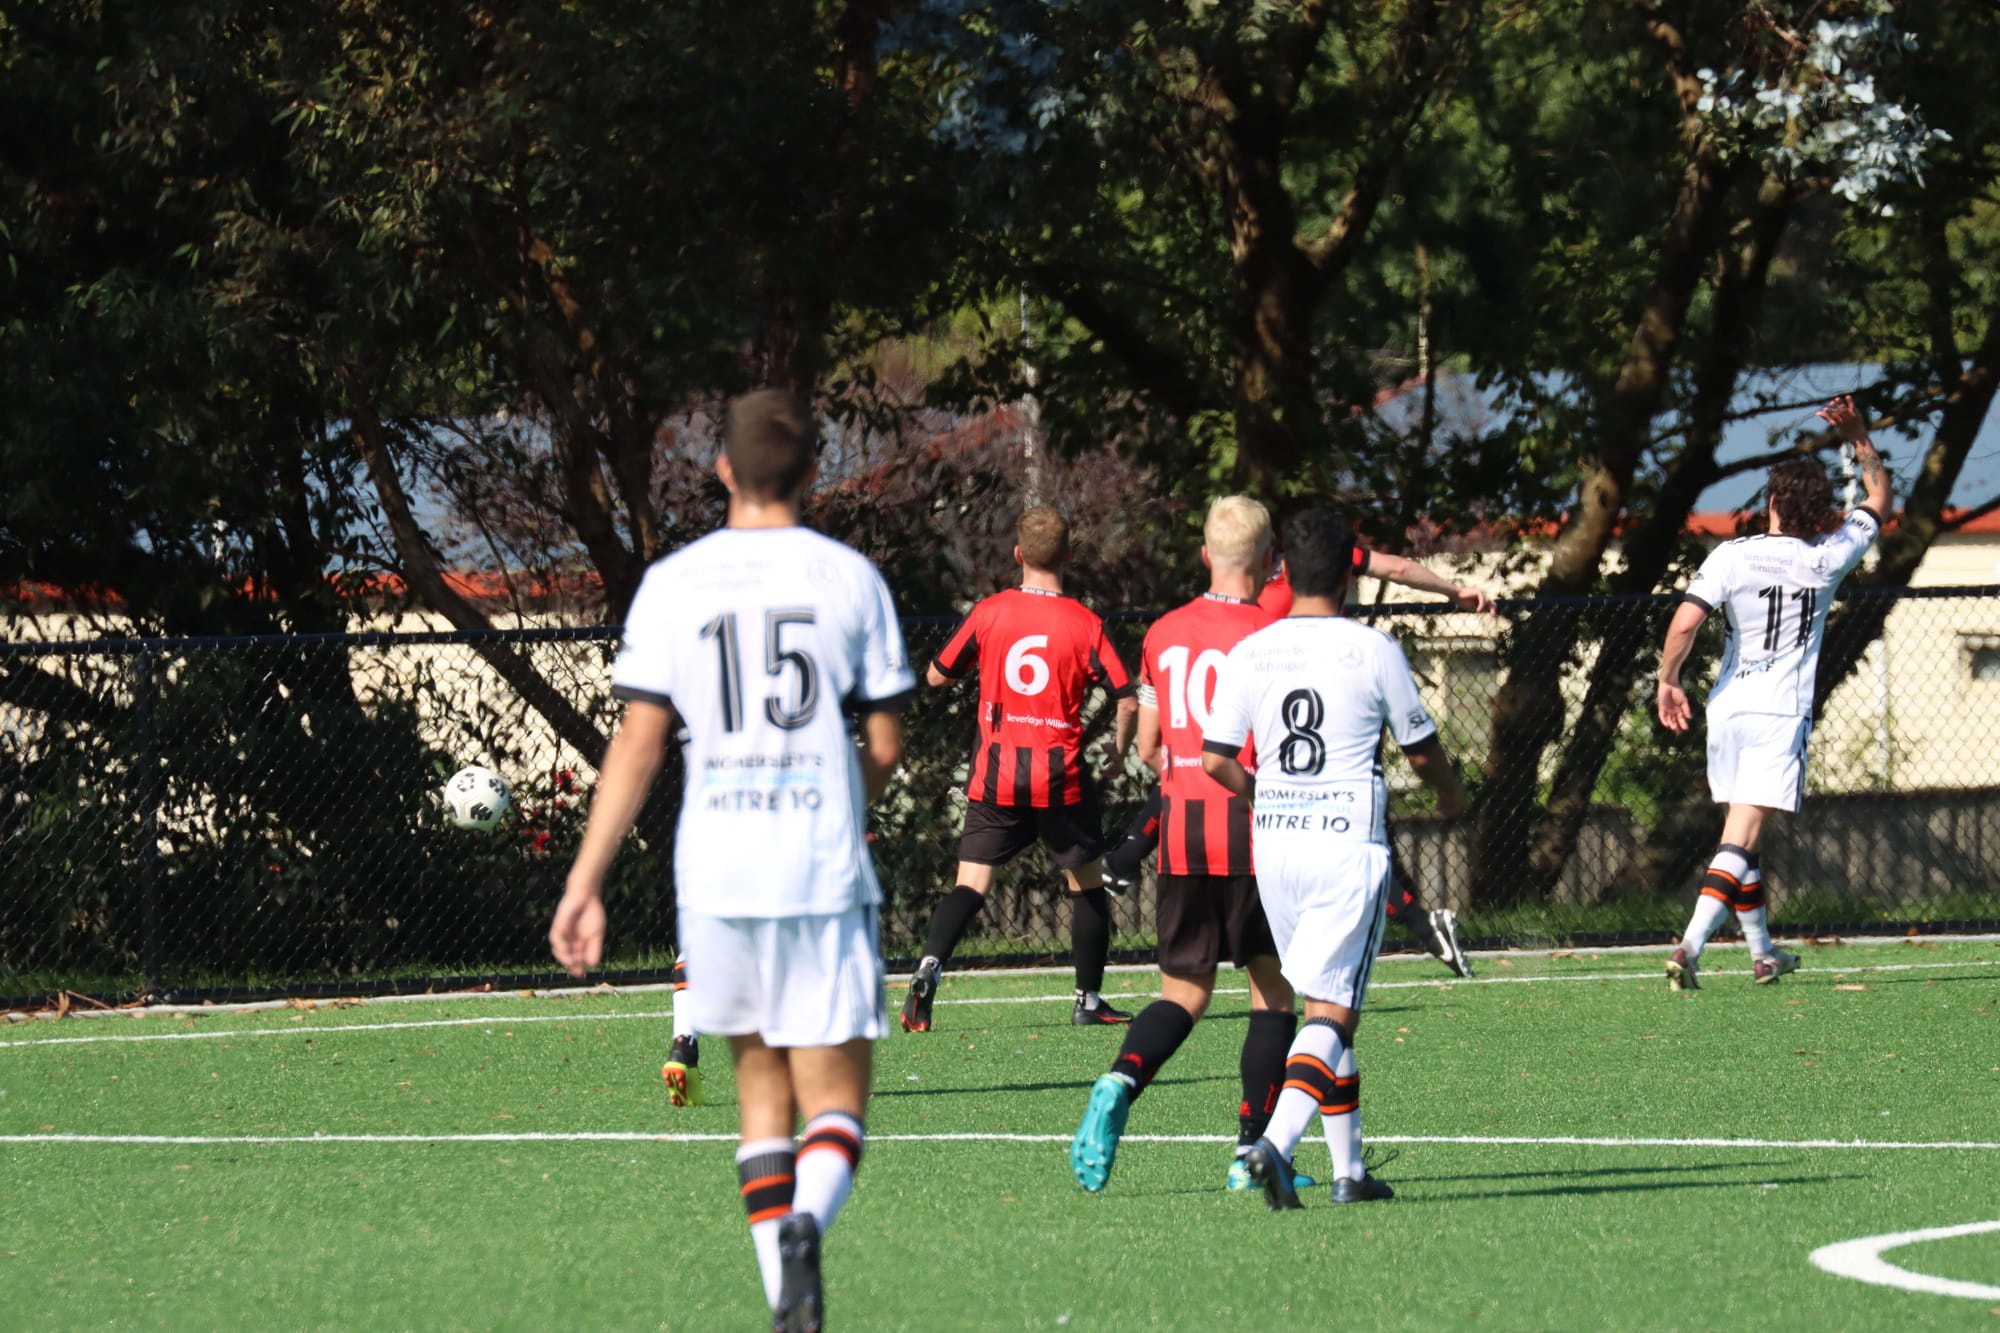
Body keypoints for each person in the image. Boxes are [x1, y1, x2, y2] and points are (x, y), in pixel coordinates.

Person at [550, 389, 914, 1332]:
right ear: (811, 473)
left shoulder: (675, 583)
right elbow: (883, 743)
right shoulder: (849, 580)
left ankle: (782, 1300)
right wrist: (839, 795)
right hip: (819, 868)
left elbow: (637, 742)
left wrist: (584, 881)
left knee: (759, 1091)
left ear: (722, 473)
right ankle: (806, 1228)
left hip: (715, 874)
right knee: (836, 1103)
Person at [1202, 508, 1470, 1208]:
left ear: (1283, 568)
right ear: (1351, 570)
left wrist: (1262, 794)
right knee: (1334, 1012)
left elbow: (1214, 759)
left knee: (1323, 1000)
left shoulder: (1252, 650)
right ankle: (1273, 1145)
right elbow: (1420, 748)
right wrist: (1449, 794)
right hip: (1345, 844)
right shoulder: (1373, 647)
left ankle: (1349, 1171)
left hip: (1277, 849)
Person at [1069, 496, 1317, 1195]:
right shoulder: (1277, 629)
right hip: (1254, 829)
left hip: (1179, 833)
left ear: (1205, 555)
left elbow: (1149, 743)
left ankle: (1121, 1078)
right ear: (1271, 563)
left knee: (1183, 990)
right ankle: (1252, 1149)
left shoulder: (1164, 632)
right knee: (1272, 993)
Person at [1101, 543, 1491, 979]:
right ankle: (1422, 926)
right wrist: (1454, 591)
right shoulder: (1305, 570)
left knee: (1199, 773)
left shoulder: (1240, 606)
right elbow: (1397, 568)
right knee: (1333, 846)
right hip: (1283, 702)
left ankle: (1124, 859)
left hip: (1256, 706)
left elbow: (1152, 749)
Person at [1657, 394, 1888, 990]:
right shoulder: (1830, 556)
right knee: (1741, 836)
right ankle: (1689, 946)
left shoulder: (1732, 556)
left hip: (1728, 706)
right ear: (1821, 512)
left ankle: (1763, 953)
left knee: (1743, 832)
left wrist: (1667, 680)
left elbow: (1684, 623)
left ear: (1771, 505)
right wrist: (1859, 436)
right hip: (1779, 712)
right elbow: (1878, 499)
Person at [901, 506, 1140, 1032]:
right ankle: (1087, 1000)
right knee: (1087, 886)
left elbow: (937, 675)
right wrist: (1120, 752)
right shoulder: (1086, 623)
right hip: (1060, 782)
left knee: (970, 886)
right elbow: (1126, 699)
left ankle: (928, 969)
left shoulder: (990, 611)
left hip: (997, 775)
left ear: (1017, 555)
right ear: (1069, 556)